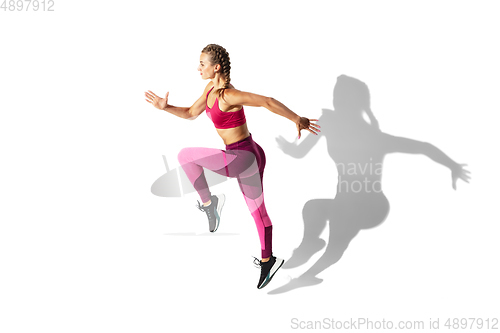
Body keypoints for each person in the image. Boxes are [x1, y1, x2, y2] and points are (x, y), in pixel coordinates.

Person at [145, 44, 320, 289]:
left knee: (186, 156)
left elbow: (267, 101)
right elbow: (189, 113)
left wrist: (296, 119)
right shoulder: (209, 90)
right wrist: (166, 108)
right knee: (258, 213)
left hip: (242, 157)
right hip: (249, 154)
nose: (198, 68)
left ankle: (209, 204)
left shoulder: (228, 95)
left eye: (202, 64)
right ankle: (268, 260)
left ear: (216, 67)